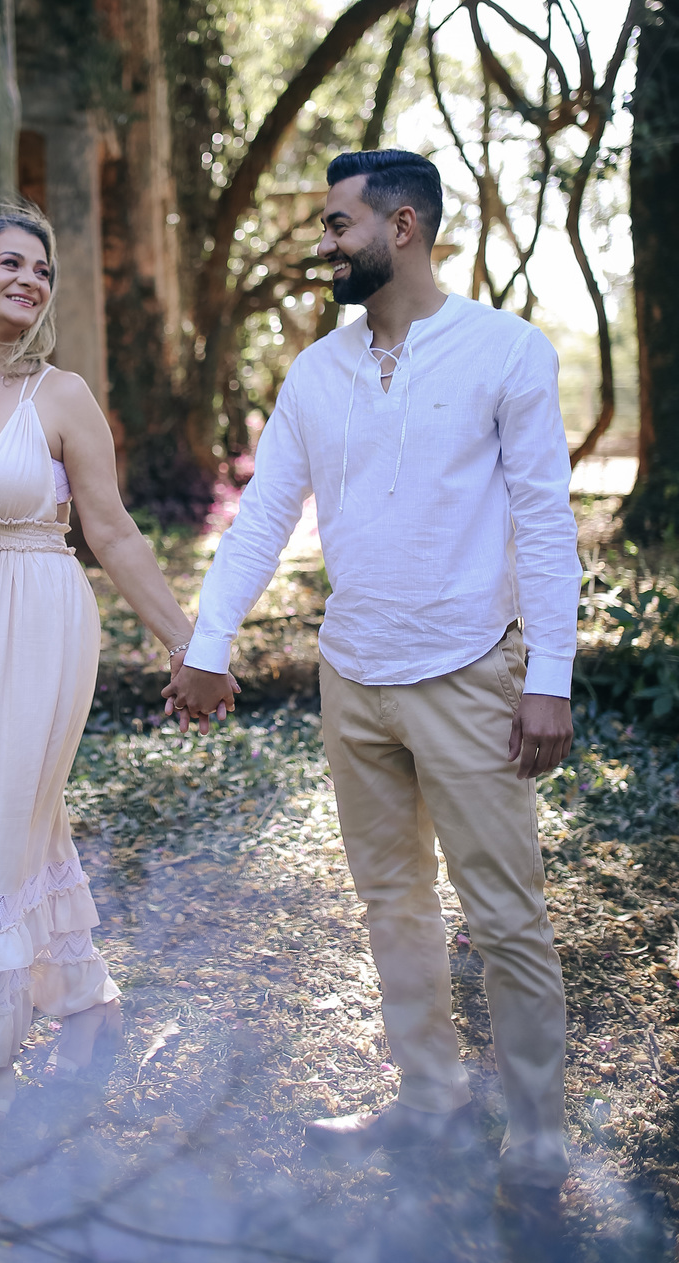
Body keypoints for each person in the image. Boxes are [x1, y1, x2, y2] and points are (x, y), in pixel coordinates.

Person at [166, 149, 581, 1203]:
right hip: (352, 677)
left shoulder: (506, 351)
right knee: (392, 901)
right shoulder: (317, 373)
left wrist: (551, 676)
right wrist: (208, 643)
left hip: (471, 672)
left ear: (402, 228)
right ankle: (429, 1098)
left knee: (505, 915)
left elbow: (545, 521)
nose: (325, 244)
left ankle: (538, 1140)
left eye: (337, 225)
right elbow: (265, 515)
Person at [0, 203, 226, 1125]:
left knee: (8, 814)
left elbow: (112, 531)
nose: (31, 279)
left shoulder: (62, 396)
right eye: (13, 263)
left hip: (38, 616)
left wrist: (190, 645)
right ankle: (88, 1005)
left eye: (43, 270)